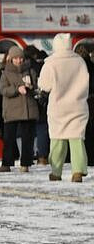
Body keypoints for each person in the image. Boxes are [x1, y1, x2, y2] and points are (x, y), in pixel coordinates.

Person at [37, 32, 90, 182]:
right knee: (77, 139)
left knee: (57, 139)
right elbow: (86, 82)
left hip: (58, 107)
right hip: (78, 105)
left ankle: (56, 172)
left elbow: (44, 85)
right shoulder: (79, 61)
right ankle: (78, 171)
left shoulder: (51, 63)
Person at [0, 46, 41, 172]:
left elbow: (36, 86)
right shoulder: (5, 72)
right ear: (11, 59)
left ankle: (26, 163)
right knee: (9, 138)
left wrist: (31, 87)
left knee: (28, 138)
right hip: (12, 109)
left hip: (28, 108)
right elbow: (3, 90)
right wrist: (17, 89)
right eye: (15, 58)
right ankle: (6, 163)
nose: (18, 61)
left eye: (20, 58)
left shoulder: (30, 70)